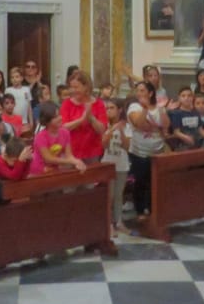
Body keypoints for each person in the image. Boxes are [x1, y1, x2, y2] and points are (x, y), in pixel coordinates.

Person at [125, 83, 167, 221]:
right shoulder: (134, 107)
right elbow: (140, 124)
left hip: (158, 151)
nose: (139, 93)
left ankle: (153, 209)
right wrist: (144, 109)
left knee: (154, 181)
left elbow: (166, 125)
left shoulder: (159, 107)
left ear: (150, 93)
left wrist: (161, 109)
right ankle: (140, 210)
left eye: (142, 90)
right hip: (140, 152)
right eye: (137, 90)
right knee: (141, 181)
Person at [60, 71, 107, 163]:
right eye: (71, 87)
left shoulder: (99, 104)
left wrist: (91, 117)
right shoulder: (67, 104)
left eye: (76, 87)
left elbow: (102, 130)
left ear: (86, 87)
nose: (73, 90)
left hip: (93, 153)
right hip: (71, 153)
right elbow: (63, 127)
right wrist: (81, 120)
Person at [101, 100, 131, 233]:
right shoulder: (104, 125)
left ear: (119, 110)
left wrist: (121, 131)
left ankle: (119, 222)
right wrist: (111, 130)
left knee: (119, 195)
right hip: (108, 164)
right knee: (109, 195)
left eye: (112, 108)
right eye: (107, 108)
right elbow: (104, 145)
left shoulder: (126, 126)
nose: (108, 111)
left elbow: (127, 146)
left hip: (122, 164)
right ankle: (108, 224)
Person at [31, 102, 86, 174]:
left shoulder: (65, 132)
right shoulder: (40, 137)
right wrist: (71, 161)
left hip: (54, 168)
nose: (60, 118)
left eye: (59, 115)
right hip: (39, 170)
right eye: (55, 117)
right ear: (47, 121)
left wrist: (77, 162)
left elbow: (69, 155)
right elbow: (48, 159)